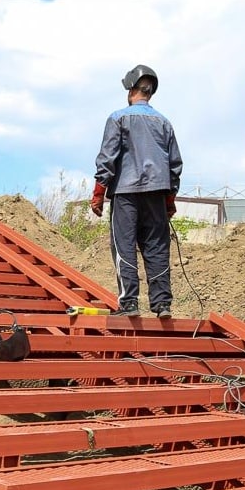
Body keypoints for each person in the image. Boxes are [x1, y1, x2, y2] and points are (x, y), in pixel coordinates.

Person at [91, 64, 183, 319]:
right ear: (150, 92)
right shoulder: (164, 123)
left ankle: (129, 304)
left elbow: (107, 158)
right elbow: (175, 165)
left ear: (131, 89)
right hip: (157, 193)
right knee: (156, 247)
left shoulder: (118, 118)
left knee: (124, 246)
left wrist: (99, 192)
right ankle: (162, 305)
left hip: (126, 194)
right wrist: (170, 200)